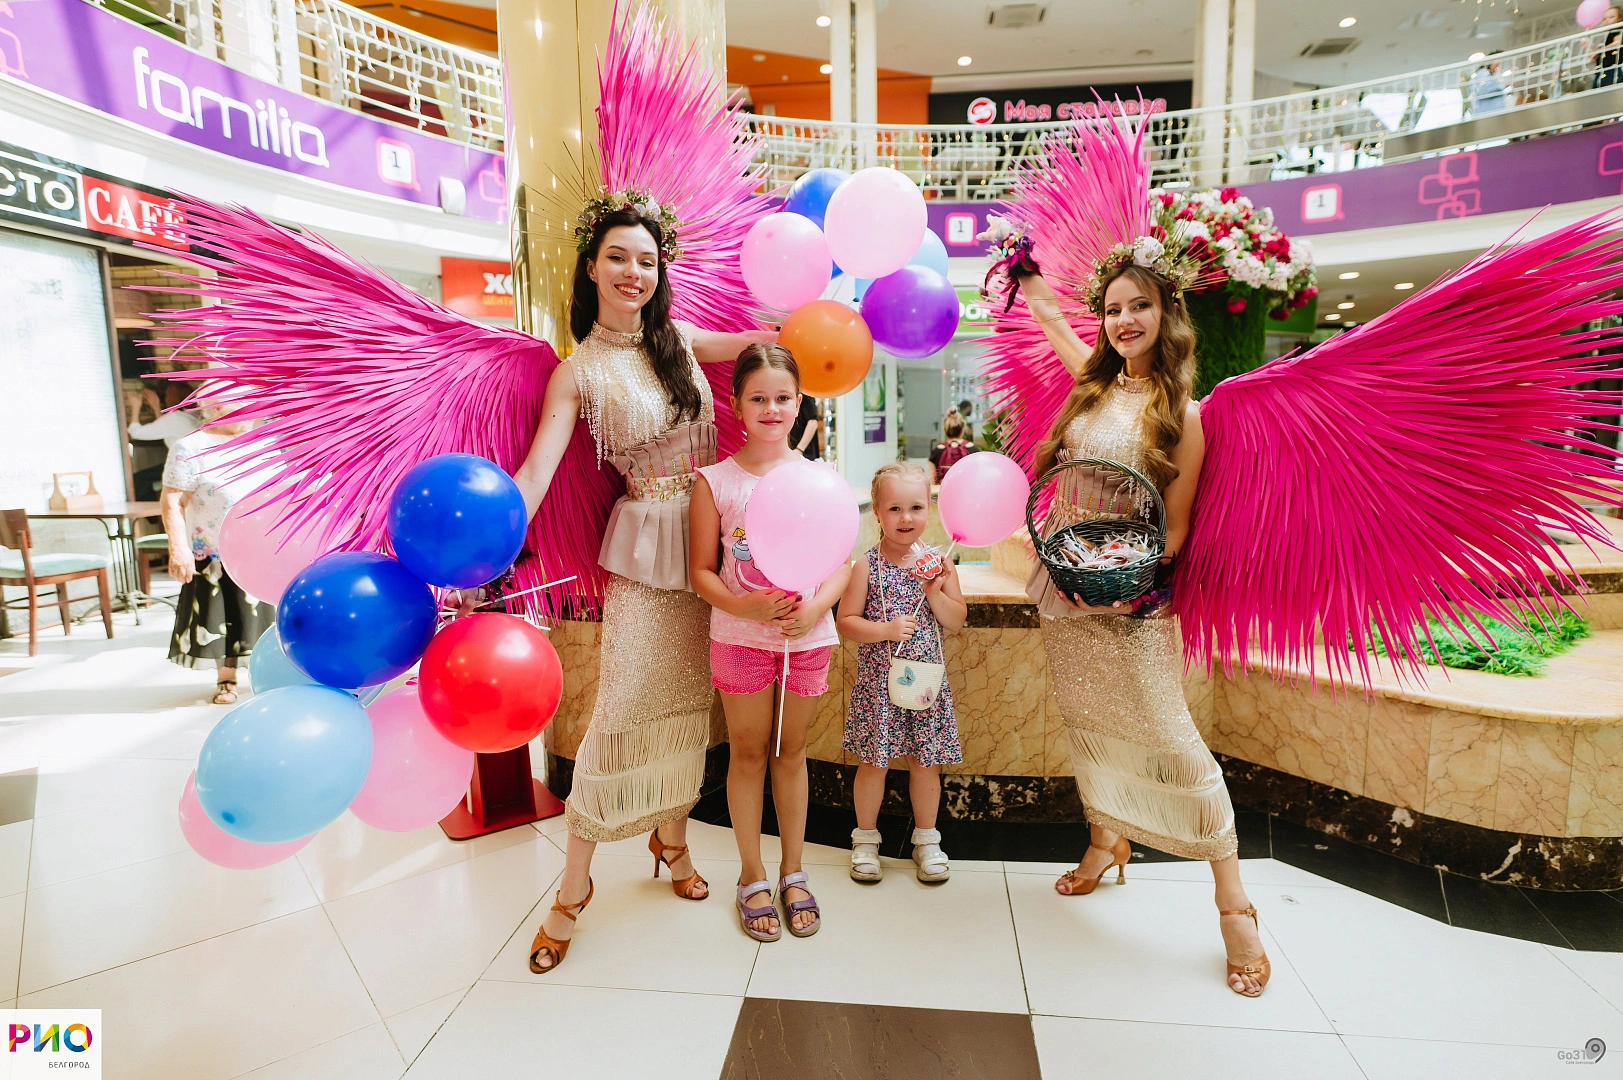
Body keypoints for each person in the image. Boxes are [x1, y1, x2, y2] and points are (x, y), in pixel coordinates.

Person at [510, 207, 776, 974]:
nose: (634, 273)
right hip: (646, 554)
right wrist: (490, 537)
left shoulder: (680, 340)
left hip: (712, 545)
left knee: (688, 708)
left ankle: (672, 841)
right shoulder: (578, 371)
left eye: (648, 261)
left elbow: (761, 346)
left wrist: (813, 321)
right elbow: (537, 469)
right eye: (619, 257)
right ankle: (573, 888)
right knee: (622, 709)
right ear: (591, 267)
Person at [1015, 261, 1271, 998]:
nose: (1124, 321)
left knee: (1173, 739)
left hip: (1130, 598)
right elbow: (1055, 325)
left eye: (1139, 306)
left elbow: (1176, 527)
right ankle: (1106, 841)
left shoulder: (1183, 412)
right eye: (1113, 309)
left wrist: (1124, 589)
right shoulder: (1092, 386)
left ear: (1167, 313)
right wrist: (1028, 280)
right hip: (1069, 582)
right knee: (1087, 721)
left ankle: (1234, 905)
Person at [690, 345, 850, 942]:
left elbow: (842, 564)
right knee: (749, 753)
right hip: (739, 637)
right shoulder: (716, 483)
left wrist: (816, 606)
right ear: (736, 404)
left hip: (807, 639)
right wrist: (746, 606)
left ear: (799, 401)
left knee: (792, 752)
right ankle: (751, 874)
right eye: (758, 397)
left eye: (783, 397)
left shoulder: (821, 479)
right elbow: (701, 573)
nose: (771, 408)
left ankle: (793, 870)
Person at [836, 460, 965, 884]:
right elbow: (846, 621)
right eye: (894, 508)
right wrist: (885, 630)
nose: (905, 518)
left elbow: (956, 619)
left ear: (930, 509)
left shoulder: (940, 564)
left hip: (925, 685)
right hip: (879, 686)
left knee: (925, 763)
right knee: (874, 763)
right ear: (876, 511)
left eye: (916, 507)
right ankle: (865, 839)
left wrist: (934, 592)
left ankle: (927, 839)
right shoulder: (866, 565)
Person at [159, 409, 273, 704]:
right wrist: (178, 547)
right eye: (240, 406)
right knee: (225, 616)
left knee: (272, 618)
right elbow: (172, 501)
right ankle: (226, 679)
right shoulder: (191, 447)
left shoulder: (267, 440)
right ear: (216, 410)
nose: (250, 413)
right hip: (214, 549)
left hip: (266, 548)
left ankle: (279, 676)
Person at [126, 385, 201, 500]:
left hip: (182, 467)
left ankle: (149, 510)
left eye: (166, 396)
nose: (165, 399)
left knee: (137, 480)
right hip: (194, 466)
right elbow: (165, 428)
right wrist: (156, 406)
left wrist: (135, 407)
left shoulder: (175, 418)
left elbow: (136, 433)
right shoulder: (191, 417)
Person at [929, 412, 978, 484]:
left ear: (945, 430)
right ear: (963, 429)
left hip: (945, 490)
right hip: (967, 489)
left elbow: (932, 481)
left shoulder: (936, 451)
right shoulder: (974, 450)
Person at [1594, 6, 1623, 88]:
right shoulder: (1608, 35)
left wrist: (1599, 51)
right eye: (1604, 19)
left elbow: (1618, 42)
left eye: (1611, 17)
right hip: (1604, 67)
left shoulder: (1619, 29)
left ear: (1620, 18)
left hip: (1613, 66)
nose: (1607, 20)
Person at [789, 393, 822, 461]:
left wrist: (799, 449)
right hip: (791, 453)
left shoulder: (806, 393)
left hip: (804, 454)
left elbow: (813, 423)